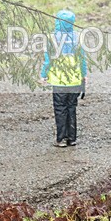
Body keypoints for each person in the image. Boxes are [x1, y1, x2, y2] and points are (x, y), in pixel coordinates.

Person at [40, 9, 87, 147]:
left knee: (60, 108)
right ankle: (72, 138)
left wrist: (43, 75)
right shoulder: (78, 37)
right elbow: (82, 59)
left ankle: (61, 139)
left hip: (59, 80)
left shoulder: (52, 38)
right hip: (74, 80)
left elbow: (47, 60)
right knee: (72, 107)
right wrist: (84, 75)